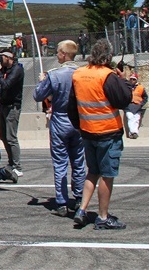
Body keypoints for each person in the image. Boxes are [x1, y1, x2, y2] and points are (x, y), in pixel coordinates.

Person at [70, 39, 132, 230]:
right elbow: (124, 100)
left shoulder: (79, 74)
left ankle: (82, 209)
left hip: (88, 132)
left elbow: (71, 106)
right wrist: (126, 80)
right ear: (108, 57)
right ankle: (103, 216)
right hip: (108, 132)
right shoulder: (108, 76)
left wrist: (80, 127)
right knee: (107, 175)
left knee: (92, 172)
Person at [33, 40, 87, 217]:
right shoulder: (82, 73)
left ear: (64, 54)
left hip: (61, 120)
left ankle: (62, 202)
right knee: (78, 162)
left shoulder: (55, 74)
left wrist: (42, 81)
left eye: (57, 52)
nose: (56, 54)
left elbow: (38, 95)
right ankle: (79, 198)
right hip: (79, 121)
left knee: (60, 163)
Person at [0, 49, 24, 178]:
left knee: (11, 137)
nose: (0, 61)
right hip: (3, 105)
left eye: (1, 58)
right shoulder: (2, 69)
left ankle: (17, 166)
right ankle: (11, 163)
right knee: (3, 136)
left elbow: (6, 84)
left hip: (13, 107)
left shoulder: (17, 69)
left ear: (8, 58)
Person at [124, 73, 148, 140]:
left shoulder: (141, 88)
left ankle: (133, 133)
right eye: (131, 79)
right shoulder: (126, 87)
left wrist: (141, 104)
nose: (132, 81)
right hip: (128, 106)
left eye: (133, 79)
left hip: (137, 106)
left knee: (136, 119)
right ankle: (133, 132)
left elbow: (145, 97)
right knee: (130, 118)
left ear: (136, 80)